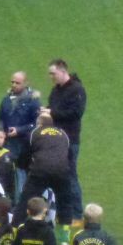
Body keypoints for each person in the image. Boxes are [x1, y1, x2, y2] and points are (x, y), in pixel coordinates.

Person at [14, 112, 74, 238]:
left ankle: (15, 230)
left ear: (39, 124)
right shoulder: (63, 134)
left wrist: (25, 167)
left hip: (40, 170)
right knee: (65, 202)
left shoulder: (34, 133)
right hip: (62, 171)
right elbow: (70, 156)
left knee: (26, 200)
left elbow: (24, 155)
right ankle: (64, 235)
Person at [46, 59, 86, 218]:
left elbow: (76, 113)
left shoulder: (77, 90)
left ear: (63, 72)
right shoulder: (56, 90)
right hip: (55, 138)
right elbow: (53, 107)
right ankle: (60, 210)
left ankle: (76, 213)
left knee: (70, 175)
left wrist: (51, 113)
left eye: (53, 73)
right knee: (56, 175)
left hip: (70, 140)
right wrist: (46, 110)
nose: (51, 77)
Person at [0, 71, 42, 185]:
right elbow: (1, 117)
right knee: (5, 174)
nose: (14, 85)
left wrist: (19, 130)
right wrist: (0, 131)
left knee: (21, 175)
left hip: (24, 145)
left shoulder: (33, 100)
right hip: (7, 143)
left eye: (17, 83)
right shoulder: (7, 99)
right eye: (12, 82)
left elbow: (37, 123)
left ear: (26, 83)